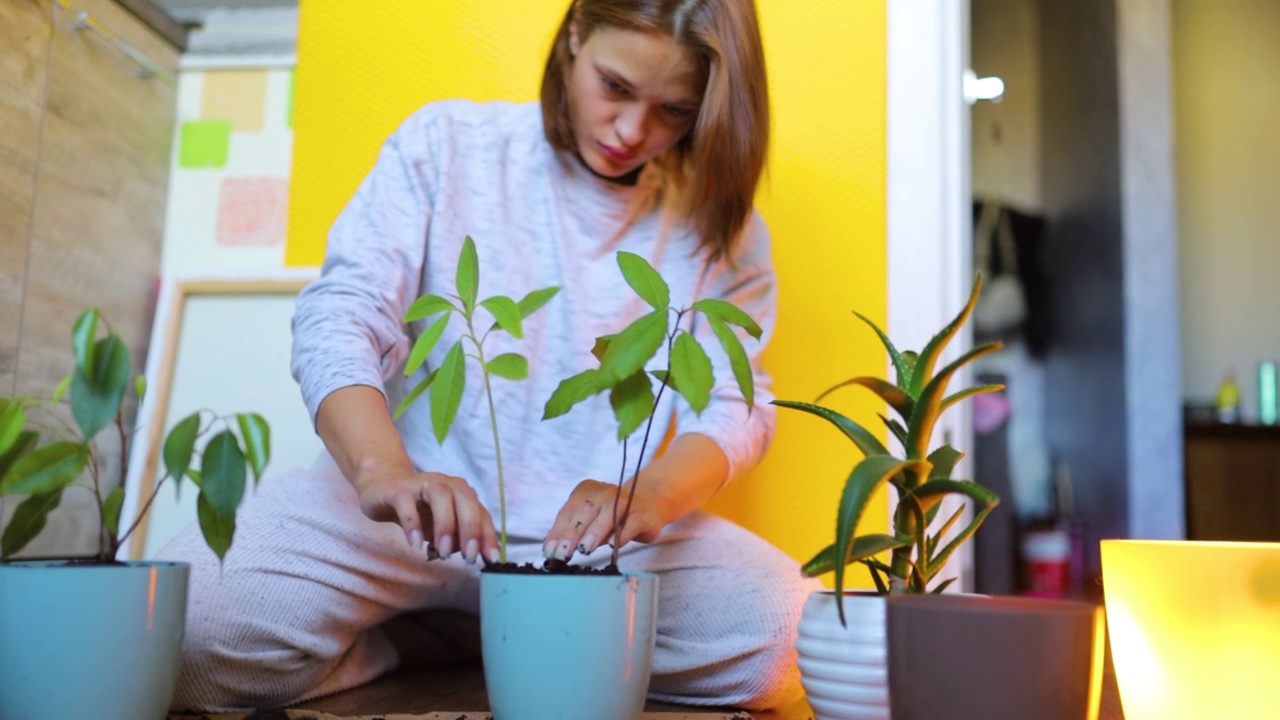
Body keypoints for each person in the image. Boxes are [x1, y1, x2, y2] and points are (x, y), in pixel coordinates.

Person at [159, 0, 820, 711]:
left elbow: (734, 403)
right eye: (616, 88)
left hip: (595, 545)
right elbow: (343, 312)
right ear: (574, 35)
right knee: (183, 634)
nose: (633, 131)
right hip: (401, 517)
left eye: (675, 110)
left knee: (784, 645)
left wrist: (652, 494)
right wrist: (384, 469)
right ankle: (443, 639)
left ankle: (457, 636)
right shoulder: (446, 146)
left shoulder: (724, 229)